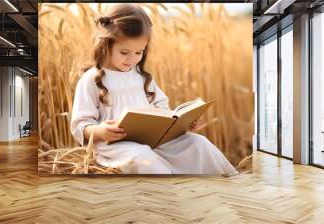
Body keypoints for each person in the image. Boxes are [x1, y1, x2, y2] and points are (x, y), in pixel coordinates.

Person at [70, 3, 238, 175]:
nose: (132, 59)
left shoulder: (141, 76)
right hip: (116, 146)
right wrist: (100, 131)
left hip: (154, 141)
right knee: (144, 157)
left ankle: (227, 185)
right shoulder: (91, 79)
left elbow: (163, 110)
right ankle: (172, 196)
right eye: (124, 52)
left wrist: (180, 124)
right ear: (106, 45)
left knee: (198, 144)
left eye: (139, 52)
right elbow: (79, 125)